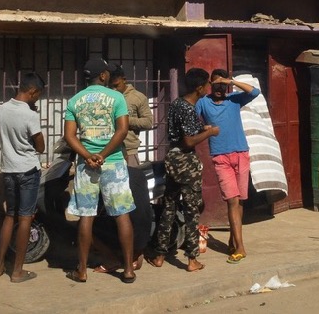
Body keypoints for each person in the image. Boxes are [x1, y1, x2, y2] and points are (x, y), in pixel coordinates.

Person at [64, 56, 137, 284]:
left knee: (86, 216)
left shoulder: (74, 101)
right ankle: (127, 270)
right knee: (122, 215)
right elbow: (123, 130)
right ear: (104, 76)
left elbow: (69, 136)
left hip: (87, 166)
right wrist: (104, 155)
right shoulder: (116, 97)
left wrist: (88, 156)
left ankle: (82, 271)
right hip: (113, 162)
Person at [146, 68, 217, 272]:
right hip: (185, 161)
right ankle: (192, 259)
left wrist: (201, 129)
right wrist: (210, 132)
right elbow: (188, 141)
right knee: (191, 210)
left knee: (168, 207)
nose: (208, 88)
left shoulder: (178, 104)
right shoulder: (188, 108)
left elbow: (182, 132)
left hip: (172, 159)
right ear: (199, 87)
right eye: (207, 85)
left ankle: (160, 254)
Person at [195, 69, 259, 263]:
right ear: (210, 85)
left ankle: (234, 238)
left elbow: (254, 92)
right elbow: (192, 123)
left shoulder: (234, 99)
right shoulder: (203, 102)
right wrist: (203, 128)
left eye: (223, 86)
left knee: (239, 202)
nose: (220, 89)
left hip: (241, 154)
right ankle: (240, 247)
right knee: (232, 200)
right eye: (216, 85)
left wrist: (231, 81)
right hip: (220, 157)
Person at [0, 71, 46, 283]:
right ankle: (17, 271)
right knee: (26, 218)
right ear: (32, 91)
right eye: (38, 95)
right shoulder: (30, 115)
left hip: (8, 170)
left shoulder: (2, 109)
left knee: (9, 216)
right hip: (28, 171)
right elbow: (40, 146)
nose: (37, 99)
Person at [109, 68, 154, 168]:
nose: (114, 89)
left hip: (129, 150)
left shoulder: (137, 97)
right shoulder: (106, 97)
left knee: (131, 181)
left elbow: (148, 122)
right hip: (107, 149)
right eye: (111, 86)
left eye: (117, 85)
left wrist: (124, 120)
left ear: (124, 80)